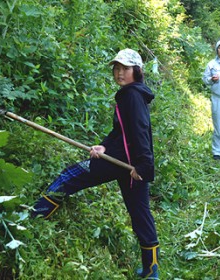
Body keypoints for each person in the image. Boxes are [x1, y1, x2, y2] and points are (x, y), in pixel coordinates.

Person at [31, 49, 160, 278]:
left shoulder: (131, 95)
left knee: (69, 176)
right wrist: (104, 146)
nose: (119, 73)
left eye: (125, 69)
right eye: (116, 68)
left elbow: (141, 131)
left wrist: (143, 166)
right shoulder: (131, 93)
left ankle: (34, 220)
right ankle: (151, 270)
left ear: (137, 71)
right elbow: (120, 131)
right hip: (126, 162)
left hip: (127, 164)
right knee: (140, 213)